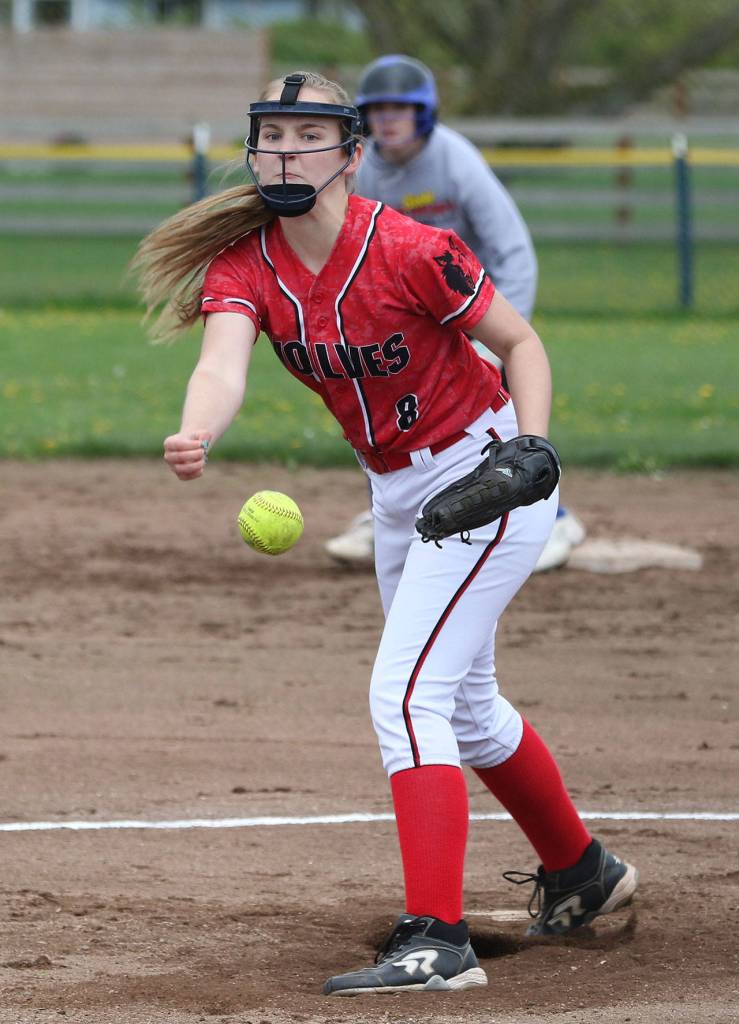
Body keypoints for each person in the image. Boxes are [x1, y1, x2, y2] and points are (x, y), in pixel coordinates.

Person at [134, 71, 638, 996]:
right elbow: (220, 363)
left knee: (406, 697)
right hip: (397, 497)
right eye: (272, 136)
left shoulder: (412, 250)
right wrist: (197, 427)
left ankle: (435, 942)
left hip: (483, 478)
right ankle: (581, 872)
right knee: (465, 706)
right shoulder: (246, 265)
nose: (287, 153)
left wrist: (531, 448)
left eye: (308, 136)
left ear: (352, 155)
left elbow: (520, 343)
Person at [325, 54, 585, 572]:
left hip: (477, 307)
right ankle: (391, 514)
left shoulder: (454, 159)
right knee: (390, 415)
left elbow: (512, 250)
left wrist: (500, 338)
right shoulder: (364, 167)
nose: (388, 120)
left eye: (402, 108)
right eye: (377, 110)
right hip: (414, 318)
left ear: (425, 114)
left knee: (498, 417)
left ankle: (553, 516)